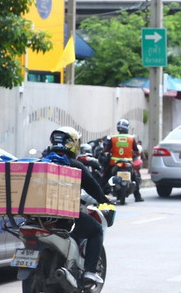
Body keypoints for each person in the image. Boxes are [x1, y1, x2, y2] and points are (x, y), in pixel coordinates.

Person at [49, 126, 113, 284]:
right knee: (96, 230)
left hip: (40, 216)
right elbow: (93, 186)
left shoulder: (43, 163)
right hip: (66, 214)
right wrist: (104, 199)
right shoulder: (75, 165)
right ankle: (90, 271)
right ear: (73, 144)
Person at [102, 119, 143, 202]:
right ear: (127, 128)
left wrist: (105, 152)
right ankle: (138, 197)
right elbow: (136, 151)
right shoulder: (131, 138)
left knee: (105, 177)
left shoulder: (113, 138)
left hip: (114, 163)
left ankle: (101, 195)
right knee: (134, 178)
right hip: (128, 163)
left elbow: (106, 149)